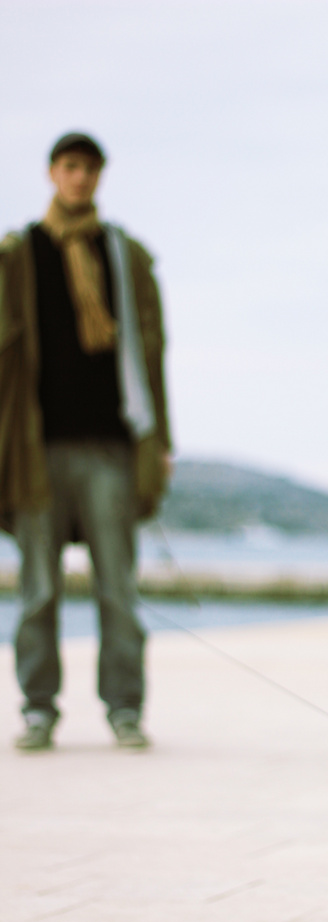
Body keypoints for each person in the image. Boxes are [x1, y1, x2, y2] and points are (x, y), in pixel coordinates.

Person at [0, 132, 172, 750]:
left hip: (111, 446)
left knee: (118, 590)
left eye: (90, 169)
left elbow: (154, 356)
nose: (80, 179)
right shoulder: (19, 254)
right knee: (38, 589)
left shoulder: (125, 254)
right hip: (35, 447)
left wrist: (161, 441)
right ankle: (38, 710)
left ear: (99, 177)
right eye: (70, 167)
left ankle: (125, 710)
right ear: (52, 173)